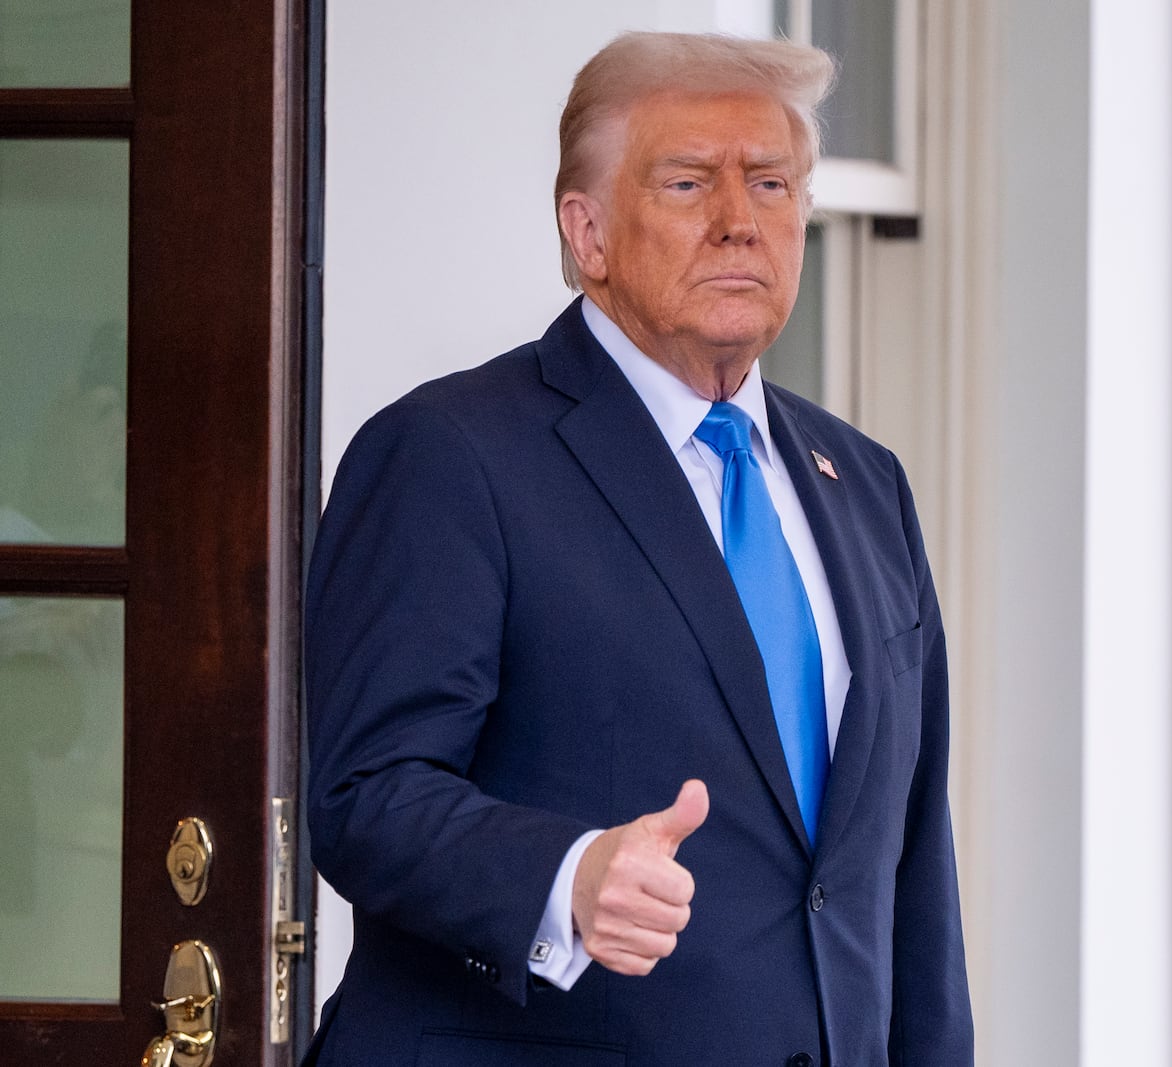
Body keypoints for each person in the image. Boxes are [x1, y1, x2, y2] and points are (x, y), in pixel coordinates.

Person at [303, 31, 972, 1067]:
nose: (739, 221)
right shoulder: (449, 455)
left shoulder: (866, 482)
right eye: (687, 182)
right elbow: (366, 795)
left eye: (771, 182)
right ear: (588, 231)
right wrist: (566, 875)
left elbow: (908, 874)